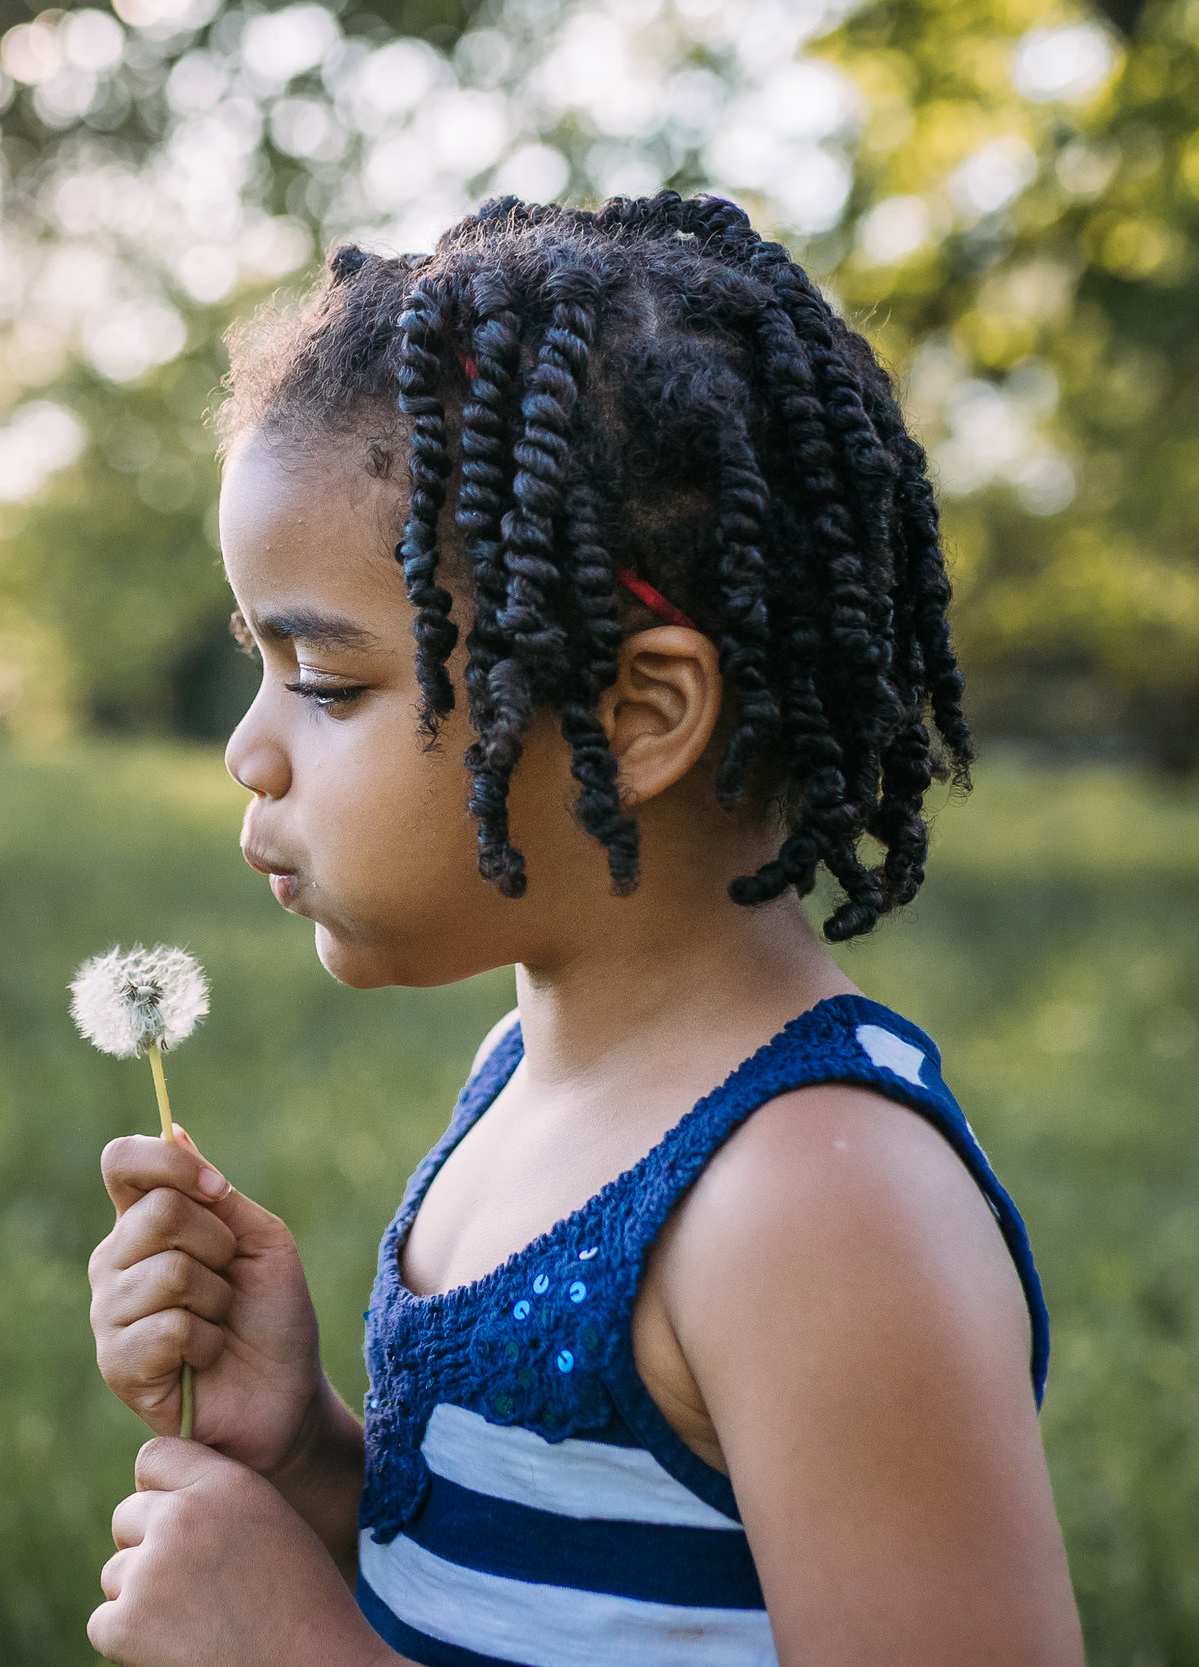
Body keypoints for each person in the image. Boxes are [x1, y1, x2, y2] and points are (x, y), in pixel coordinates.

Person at [84, 193, 1082, 1667]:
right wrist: (303, 1455)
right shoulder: (522, 1072)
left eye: (328, 683)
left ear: (635, 718)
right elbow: (560, 1603)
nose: (251, 749)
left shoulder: (812, 1202)